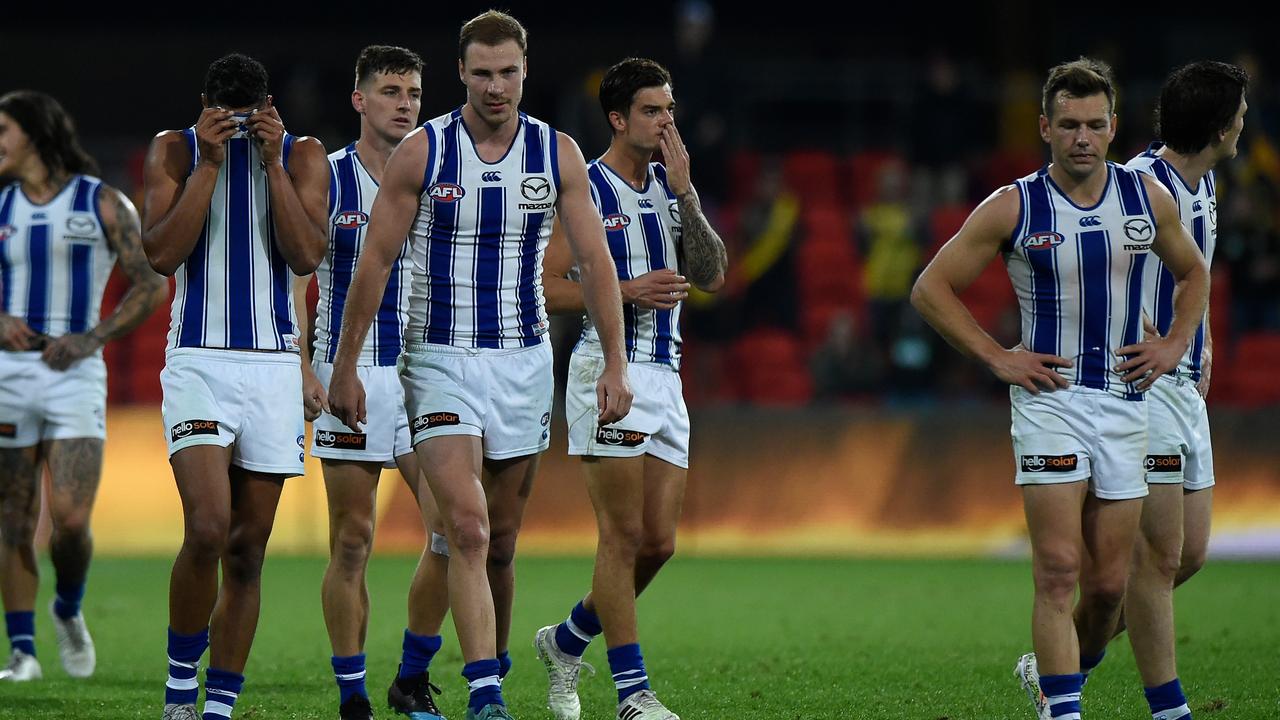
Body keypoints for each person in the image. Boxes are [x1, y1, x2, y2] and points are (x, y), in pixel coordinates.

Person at [327, 11, 632, 720]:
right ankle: (486, 696)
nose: (496, 87)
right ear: (461, 73)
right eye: (482, 73)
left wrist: (615, 362)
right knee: (466, 526)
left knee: (496, 544)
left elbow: (594, 262)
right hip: (436, 360)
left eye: (509, 72)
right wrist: (346, 366)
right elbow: (372, 263)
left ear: (526, 71)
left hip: (524, 361)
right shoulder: (423, 152)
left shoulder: (555, 154)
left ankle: (411, 674)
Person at [909, 58, 1210, 720]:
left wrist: (1175, 344)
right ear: (1045, 127)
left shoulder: (1145, 200)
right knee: (1057, 570)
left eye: (1095, 124)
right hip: (1051, 403)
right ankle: (1064, 711)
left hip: (1128, 405)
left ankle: (1055, 677)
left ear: (1112, 128)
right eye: (1069, 124)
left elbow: (1193, 274)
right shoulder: (1015, 204)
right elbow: (930, 288)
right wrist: (997, 356)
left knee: (1107, 587)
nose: (1082, 137)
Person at [533, 57, 726, 720]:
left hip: (666, 378)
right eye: (651, 110)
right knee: (619, 537)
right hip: (603, 370)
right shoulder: (584, 188)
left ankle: (566, 641)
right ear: (618, 118)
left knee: (658, 544)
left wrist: (689, 194)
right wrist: (624, 289)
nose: (665, 120)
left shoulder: (673, 190)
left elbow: (713, 276)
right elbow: (547, 286)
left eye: (669, 109)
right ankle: (632, 694)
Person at [141, 53, 328, 720]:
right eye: (226, 107)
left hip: (273, 367)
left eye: (249, 107)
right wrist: (211, 166)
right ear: (204, 103)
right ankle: (179, 687)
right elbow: (162, 253)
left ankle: (219, 703)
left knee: (247, 551)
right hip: (198, 360)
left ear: (270, 103)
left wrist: (271, 164)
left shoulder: (303, 156)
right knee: (208, 528)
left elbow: (306, 254)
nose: (238, 119)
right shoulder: (173, 149)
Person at [290, 44, 451, 720]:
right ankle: (353, 691)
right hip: (351, 371)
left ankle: (410, 676)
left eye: (412, 91)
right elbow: (297, 274)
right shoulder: (327, 178)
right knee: (354, 539)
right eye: (389, 91)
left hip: (429, 377)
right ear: (360, 100)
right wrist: (303, 365)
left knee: (456, 531)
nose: (405, 103)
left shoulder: (443, 176)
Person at [0, 90, 166, 682]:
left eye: (4, 129)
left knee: (69, 520)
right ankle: (23, 652)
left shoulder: (100, 203)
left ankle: (67, 608)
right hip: (8, 377)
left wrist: (92, 338)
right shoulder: (0, 206)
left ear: (35, 134)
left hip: (74, 374)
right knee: (14, 520)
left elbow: (150, 284)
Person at [1109, 61, 1247, 720]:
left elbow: (1197, 274)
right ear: (1221, 127)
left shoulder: (1207, 181)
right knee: (1158, 556)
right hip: (1144, 388)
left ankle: (1063, 659)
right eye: (1240, 114)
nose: (1245, 122)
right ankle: (1169, 708)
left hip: (1187, 384)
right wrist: (1153, 343)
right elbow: (1104, 269)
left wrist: (1204, 339)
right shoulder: (1138, 185)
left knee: (1189, 555)